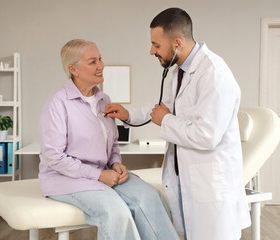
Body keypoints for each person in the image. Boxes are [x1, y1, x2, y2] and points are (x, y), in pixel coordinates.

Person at [104, 8, 251, 240]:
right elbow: (163, 106)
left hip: (210, 184)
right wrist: (128, 115)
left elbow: (207, 136)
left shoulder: (214, 73)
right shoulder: (180, 72)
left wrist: (166, 120)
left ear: (177, 43)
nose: (152, 51)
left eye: (156, 45)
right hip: (187, 177)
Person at [38, 39, 179, 240]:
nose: (101, 65)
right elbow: (54, 157)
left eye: (100, 59)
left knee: (151, 197)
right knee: (116, 214)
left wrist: (116, 163)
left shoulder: (104, 99)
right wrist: (98, 175)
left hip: (104, 174)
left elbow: (112, 143)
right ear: (73, 69)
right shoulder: (57, 104)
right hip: (65, 179)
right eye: (93, 61)